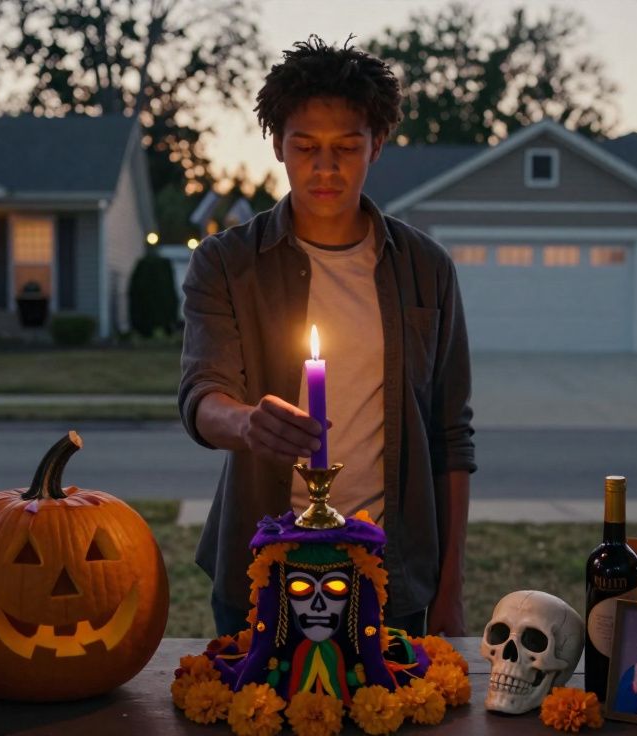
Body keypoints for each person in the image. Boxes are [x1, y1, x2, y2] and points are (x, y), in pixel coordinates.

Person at [178, 36, 475, 639]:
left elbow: (452, 435)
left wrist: (449, 590)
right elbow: (203, 393)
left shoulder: (425, 268)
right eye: (305, 146)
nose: (325, 167)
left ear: (377, 145)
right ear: (278, 146)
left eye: (347, 147)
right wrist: (246, 423)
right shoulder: (228, 263)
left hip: (391, 574)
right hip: (263, 564)